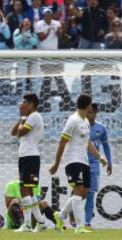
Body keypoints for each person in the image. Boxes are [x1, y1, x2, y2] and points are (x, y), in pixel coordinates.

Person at [50, 93, 107, 234]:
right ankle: (80, 226)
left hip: (84, 161)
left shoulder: (86, 122)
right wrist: (56, 163)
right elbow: (62, 142)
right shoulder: (72, 120)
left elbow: (87, 143)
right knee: (78, 190)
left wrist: (99, 157)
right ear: (88, 106)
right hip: (72, 160)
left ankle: (60, 215)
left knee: (84, 193)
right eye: (91, 105)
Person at [10, 93, 46, 232]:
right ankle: (40, 222)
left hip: (30, 156)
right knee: (28, 191)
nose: (21, 104)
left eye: (24, 102)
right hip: (25, 157)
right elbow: (13, 132)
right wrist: (21, 117)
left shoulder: (35, 116)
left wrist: (23, 119)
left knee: (24, 190)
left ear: (31, 104)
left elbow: (20, 132)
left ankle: (28, 224)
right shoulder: (27, 117)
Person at [85, 103, 112, 228]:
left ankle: (87, 223)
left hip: (94, 165)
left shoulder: (101, 128)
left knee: (90, 193)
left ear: (95, 113)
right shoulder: (79, 126)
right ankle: (70, 214)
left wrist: (109, 162)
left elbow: (106, 146)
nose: (88, 114)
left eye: (91, 112)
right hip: (80, 163)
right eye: (87, 111)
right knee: (78, 193)